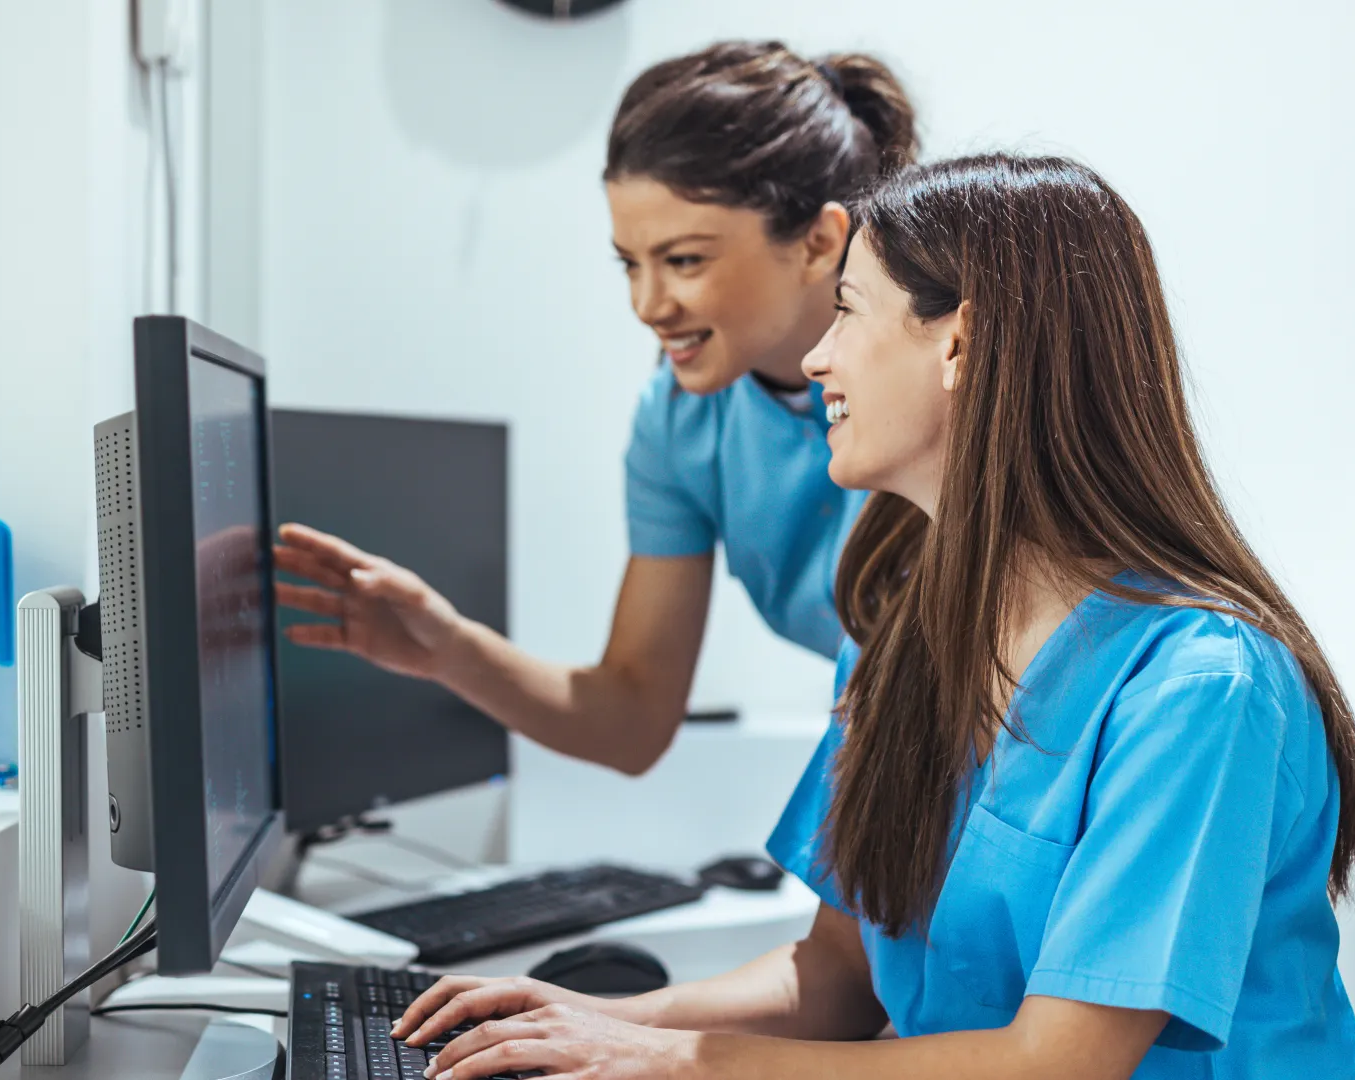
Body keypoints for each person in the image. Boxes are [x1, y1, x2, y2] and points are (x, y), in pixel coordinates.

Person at [385, 154, 1355, 1080]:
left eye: (848, 312)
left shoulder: (1199, 688)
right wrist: (591, 1021)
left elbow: (1057, 1063)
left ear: (962, 341)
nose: (817, 359)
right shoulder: (897, 634)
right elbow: (833, 979)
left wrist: (690, 1063)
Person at [274, 41, 917, 775]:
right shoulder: (679, 422)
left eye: (684, 261)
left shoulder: (944, 391)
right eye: (629, 263)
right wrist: (449, 649)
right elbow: (634, 718)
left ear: (819, 241)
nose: (647, 306)